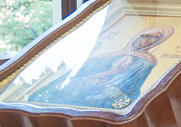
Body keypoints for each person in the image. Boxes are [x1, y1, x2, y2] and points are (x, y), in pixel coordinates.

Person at [26, 26, 173, 110]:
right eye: (145, 36)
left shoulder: (147, 60)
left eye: (154, 39)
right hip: (85, 86)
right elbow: (81, 71)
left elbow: (128, 83)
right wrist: (89, 78)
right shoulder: (113, 54)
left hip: (108, 94)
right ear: (136, 36)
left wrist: (103, 82)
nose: (147, 41)